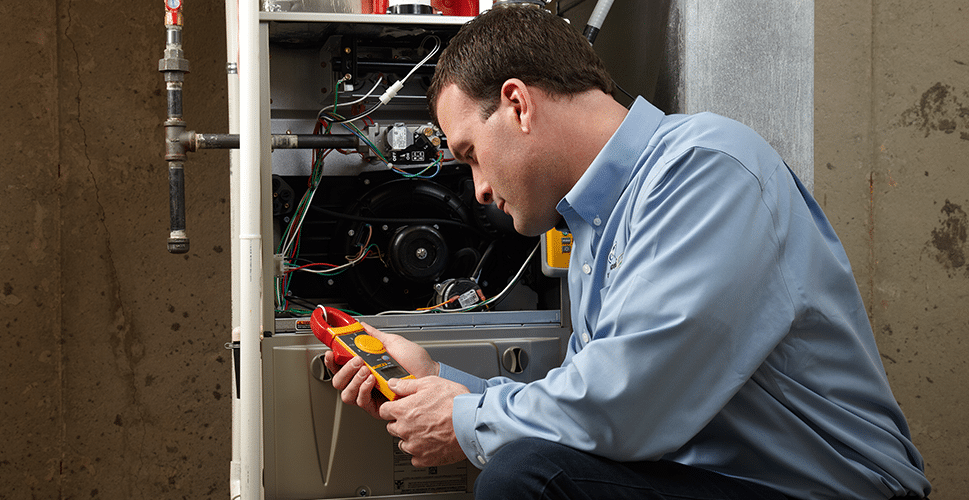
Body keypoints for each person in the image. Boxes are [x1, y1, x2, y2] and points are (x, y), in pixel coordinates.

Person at [325, 5, 932, 499]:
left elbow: (624, 407)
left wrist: (462, 421)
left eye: (470, 154)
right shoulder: (594, 224)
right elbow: (586, 400)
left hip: (829, 491)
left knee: (527, 478)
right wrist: (435, 380)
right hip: (720, 482)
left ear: (518, 104)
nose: (479, 188)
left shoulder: (706, 169)